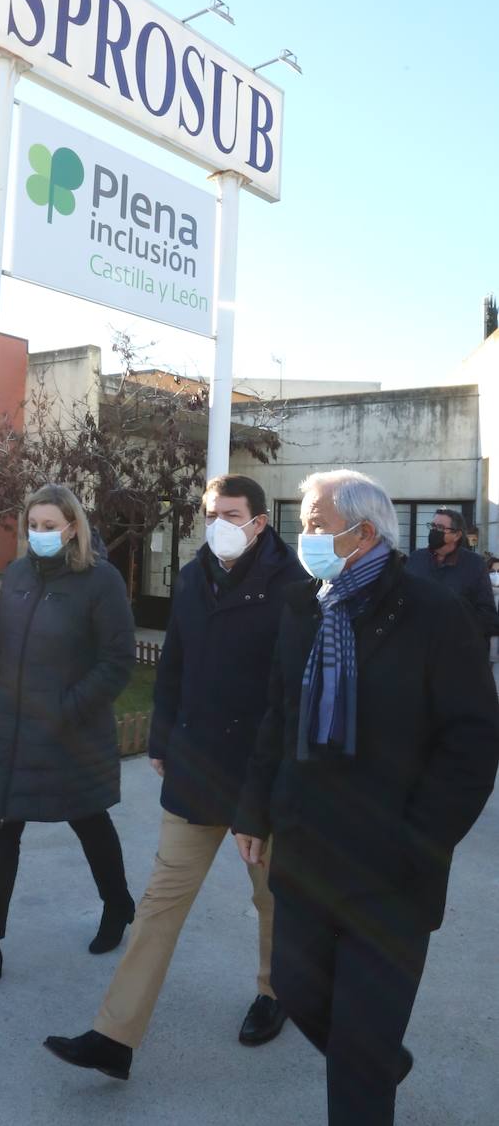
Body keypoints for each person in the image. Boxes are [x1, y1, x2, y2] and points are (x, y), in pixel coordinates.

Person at [232, 470, 499, 1126]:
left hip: (391, 872)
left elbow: (470, 744)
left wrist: (418, 841)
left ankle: (368, 1061)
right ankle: (378, 1058)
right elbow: (278, 716)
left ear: (364, 533)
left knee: (356, 1056)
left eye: (318, 524)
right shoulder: (304, 607)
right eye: (305, 523)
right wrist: (253, 810)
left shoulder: (433, 613)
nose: (306, 536)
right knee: (295, 989)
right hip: (305, 850)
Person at [44, 474, 309, 1081]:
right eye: (211, 512)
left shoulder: (295, 589)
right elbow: (175, 666)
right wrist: (162, 740)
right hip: (195, 770)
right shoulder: (193, 579)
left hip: (259, 779)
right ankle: (114, 1036)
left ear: (260, 522)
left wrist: (273, 784)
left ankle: (275, 993)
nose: (218, 522)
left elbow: (290, 695)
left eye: (231, 513)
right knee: (160, 904)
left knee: (271, 899)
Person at [0, 483, 136, 1002]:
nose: (40, 534)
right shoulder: (19, 575)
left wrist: (65, 710)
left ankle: (117, 904)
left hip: (69, 734)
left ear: (73, 527)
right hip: (13, 733)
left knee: (88, 818)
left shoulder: (100, 581)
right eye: (33, 526)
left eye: (50, 525)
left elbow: (117, 662)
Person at [406, 507, 499, 648]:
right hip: (418, 650)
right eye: (432, 526)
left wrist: (453, 625)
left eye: (440, 527)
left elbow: (488, 617)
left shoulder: (474, 565)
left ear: (456, 535)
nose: (434, 531)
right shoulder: (416, 559)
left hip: (457, 653)